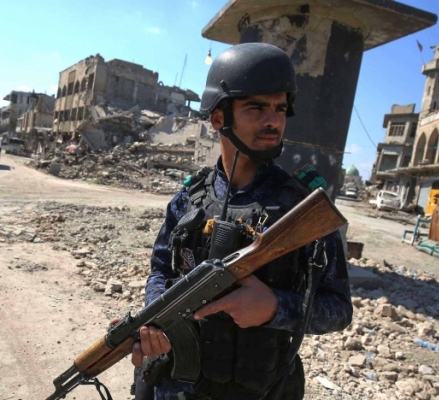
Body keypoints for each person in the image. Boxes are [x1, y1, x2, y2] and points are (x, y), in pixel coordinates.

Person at [129, 43, 353, 400]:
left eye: (280, 108)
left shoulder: (303, 210)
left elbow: (338, 310)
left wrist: (275, 307)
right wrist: (159, 320)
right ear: (219, 118)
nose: (273, 121)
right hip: (177, 386)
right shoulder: (189, 200)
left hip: (260, 389)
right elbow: (160, 270)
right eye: (256, 108)